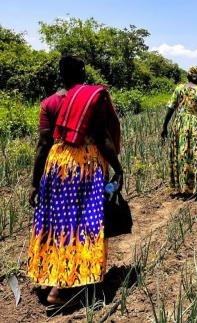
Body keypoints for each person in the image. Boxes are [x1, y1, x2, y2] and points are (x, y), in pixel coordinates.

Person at [27, 55, 123, 304]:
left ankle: (54, 278)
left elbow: (43, 144)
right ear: (82, 72)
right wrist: (118, 169)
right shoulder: (92, 97)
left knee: (58, 223)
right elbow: (102, 137)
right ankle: (63, 286)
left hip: (57, 164)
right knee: (82, 222)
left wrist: (36, 182)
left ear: (60, 74)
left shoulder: (49, 103)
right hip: (84, 166)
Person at [161, 66, 197, 197]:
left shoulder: (179, 88)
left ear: (188, 76)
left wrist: (164, 126)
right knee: (196, 154)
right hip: (196, 124)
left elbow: (170, 108)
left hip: (179, 124)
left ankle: (182, 185)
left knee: (181, 154)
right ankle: (194, 186)